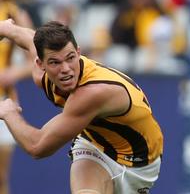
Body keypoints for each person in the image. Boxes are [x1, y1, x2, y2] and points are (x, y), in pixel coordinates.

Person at [0, 20, 163, 193]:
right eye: (54, 62)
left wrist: (9, 112)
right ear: (40, 64)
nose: (66, 69)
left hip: (139, 164)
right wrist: (8, 28)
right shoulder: (43, 75)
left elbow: (37, 146)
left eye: (70, 58)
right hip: (94, 145)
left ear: (78, 53)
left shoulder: (93, 92)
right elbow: (29, 39)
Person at [0, 0, 33, 194]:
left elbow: (38, 59)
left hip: (4, 100)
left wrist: (13, 73)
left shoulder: (14, 14)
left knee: (1, 175)